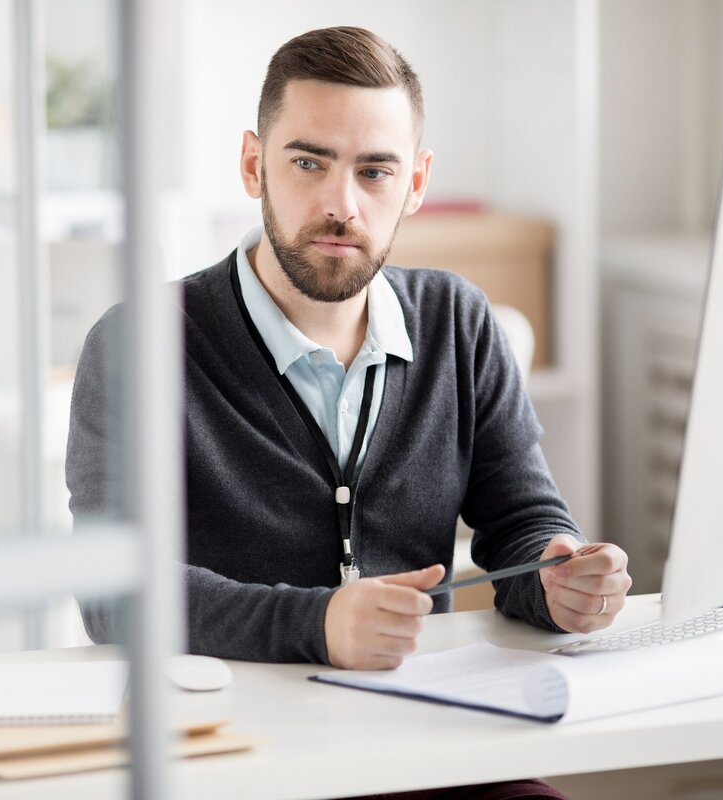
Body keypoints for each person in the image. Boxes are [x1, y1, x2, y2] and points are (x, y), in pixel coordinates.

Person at [66, 26, 632, 800]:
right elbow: (114, 592)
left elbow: (523, 520)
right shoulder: (139, 346)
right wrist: (319, 623)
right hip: (233, 765)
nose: (341, 204)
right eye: (308, 162)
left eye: (375, 171)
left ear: (417, 183)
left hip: (433, 747)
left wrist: (558, 576)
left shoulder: (460, 324)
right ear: (252, 164)